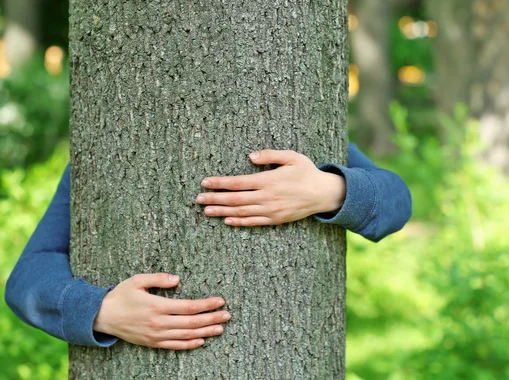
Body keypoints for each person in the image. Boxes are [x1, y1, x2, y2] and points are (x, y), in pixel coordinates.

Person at [5, 143, 412, 351]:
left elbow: (397, 199)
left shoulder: (312, 132)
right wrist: (97, 310)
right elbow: (27, 276)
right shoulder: (100, 154)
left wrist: (331, 188)